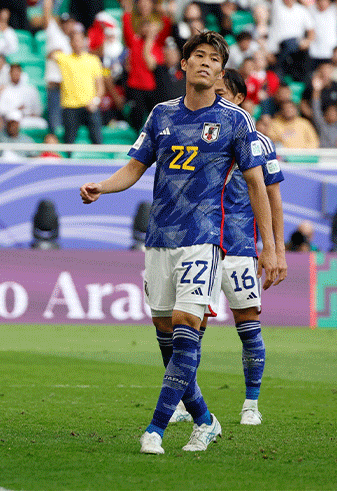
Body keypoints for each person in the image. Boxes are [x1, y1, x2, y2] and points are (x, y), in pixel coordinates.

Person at [80, 31, 280, 454]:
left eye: (214, 59)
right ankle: (205, 419)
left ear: (221, 72)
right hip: (160, 239)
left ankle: (155, 429)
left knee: (189, 328)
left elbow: (258, 186)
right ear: (184, 65)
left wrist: (269, 247)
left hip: (203, 240)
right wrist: (103, 186)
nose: (206, 63)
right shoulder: (161, 114)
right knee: (167, 338)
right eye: (198, 56)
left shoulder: (235, 120)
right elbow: (134, 168)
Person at [167, 69, 286, 427]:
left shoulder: (259, 144)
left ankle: (251, 403)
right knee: (191, 326)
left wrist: (274, 250)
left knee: (248, 323)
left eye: (221, 93)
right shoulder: (197, 138)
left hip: (238, 246)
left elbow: (273, 199)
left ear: (238, 99)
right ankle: (187, 403)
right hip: (201, 243)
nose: (213, 98)